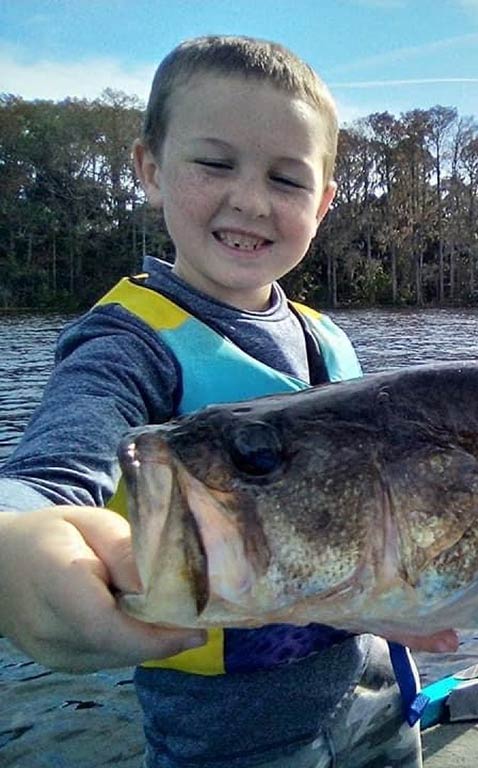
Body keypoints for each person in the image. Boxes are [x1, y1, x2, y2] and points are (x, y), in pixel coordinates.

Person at [0, 35, 454, 768]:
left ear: (325, 203)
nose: (250, 199)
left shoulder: (327, 339)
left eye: (287, 178)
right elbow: (54, 469)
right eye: (215, 163)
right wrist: (13, 541)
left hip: (376, 696)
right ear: (149, 167)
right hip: (233, 737)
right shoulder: (129, 344)